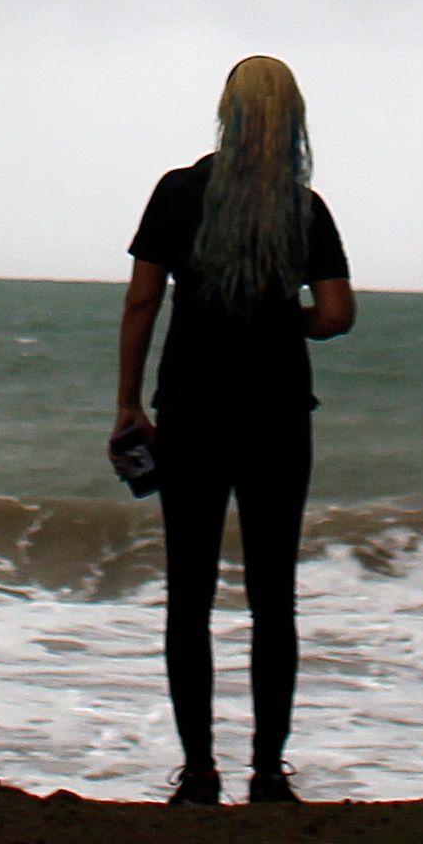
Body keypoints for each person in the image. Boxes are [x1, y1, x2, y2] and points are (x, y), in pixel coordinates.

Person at [110, 55, 354, 805]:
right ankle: (269, 774)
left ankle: (199, 773)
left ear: (227, 112)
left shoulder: (179, 192)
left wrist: (128, 404)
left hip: (192, 411)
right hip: (280, 416)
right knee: (272, 600)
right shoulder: (303, 207)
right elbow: (338, 314)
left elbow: (143, 303)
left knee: (190, 596)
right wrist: (288, 322)